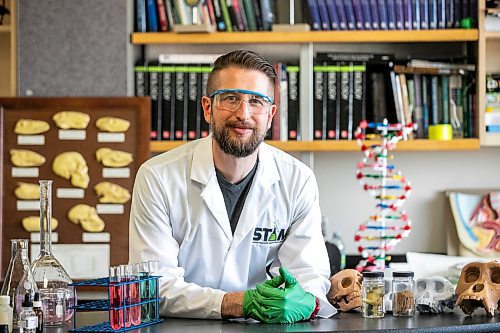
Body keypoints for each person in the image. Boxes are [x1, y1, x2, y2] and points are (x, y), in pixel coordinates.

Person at [129, 49, 336, 323]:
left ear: (271, 114)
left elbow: (309, 276)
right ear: (207, 108)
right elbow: (153, 286)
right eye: (231, 98)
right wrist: (234, 303)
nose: (244, 114)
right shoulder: (158, 177)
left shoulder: (298, 180)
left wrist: (304, 298)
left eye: (257, 101)